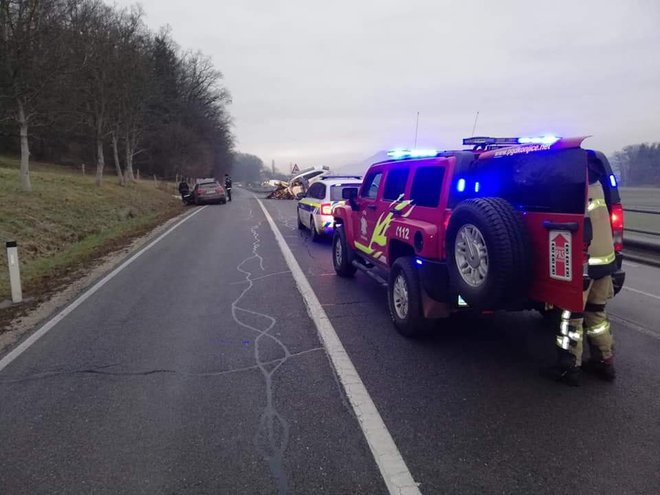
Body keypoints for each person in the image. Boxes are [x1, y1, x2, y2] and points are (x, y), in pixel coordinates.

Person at [545, 156, 618, 386]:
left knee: (571, 317)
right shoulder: (598, 186)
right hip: (605, 261)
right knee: (597, 314)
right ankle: (604, 361)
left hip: (582, 263)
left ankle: (568, 368)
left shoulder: (574, 187)